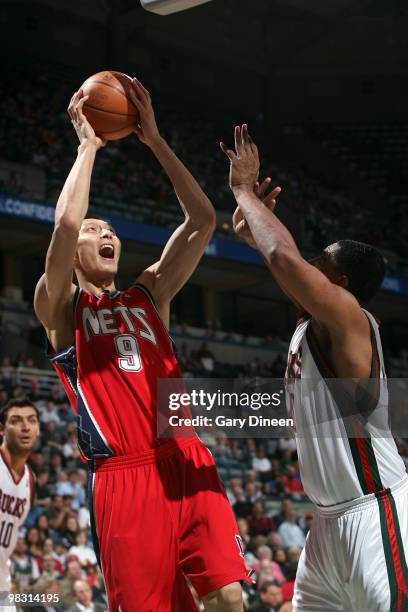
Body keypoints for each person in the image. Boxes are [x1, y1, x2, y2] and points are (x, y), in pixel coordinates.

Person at [34, 83, 251, 612]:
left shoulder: (149, 294)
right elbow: (64, 224)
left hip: (183, 452)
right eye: (95, 229)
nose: (105, 232)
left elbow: (201, 220)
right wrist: (88, 147)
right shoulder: (61, 310)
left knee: (228, 597)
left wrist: (154, 141)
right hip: (123, 477)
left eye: (110, 228)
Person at [221, 124, 408, 610]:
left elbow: (284, 256)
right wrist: (253, 235)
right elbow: (282, 262)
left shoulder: (348, 316)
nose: (309, 262)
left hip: (377, 512)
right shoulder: (316, 323)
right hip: (325, 525)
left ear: (341, 282)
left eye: (320, 261)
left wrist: (244, 191)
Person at [0, 398, 39, 611]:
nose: (25, 427)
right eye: (16, 420)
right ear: (2, 429)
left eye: (32, 420)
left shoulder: (30, 481)